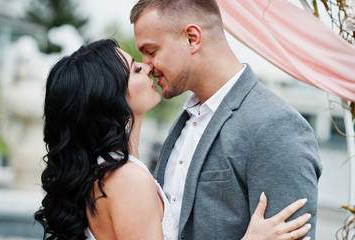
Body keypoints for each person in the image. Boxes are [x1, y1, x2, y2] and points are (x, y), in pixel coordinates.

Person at [34, 39, 312, 240]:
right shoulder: (126, 179)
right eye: (135, 69)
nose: (148, 67)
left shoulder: (106, 171)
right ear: (108, 97)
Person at [130, 0, 323, 239]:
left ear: (192, 38)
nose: (146, 66)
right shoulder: (184, 122)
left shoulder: (275, 126)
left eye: (151, 51)